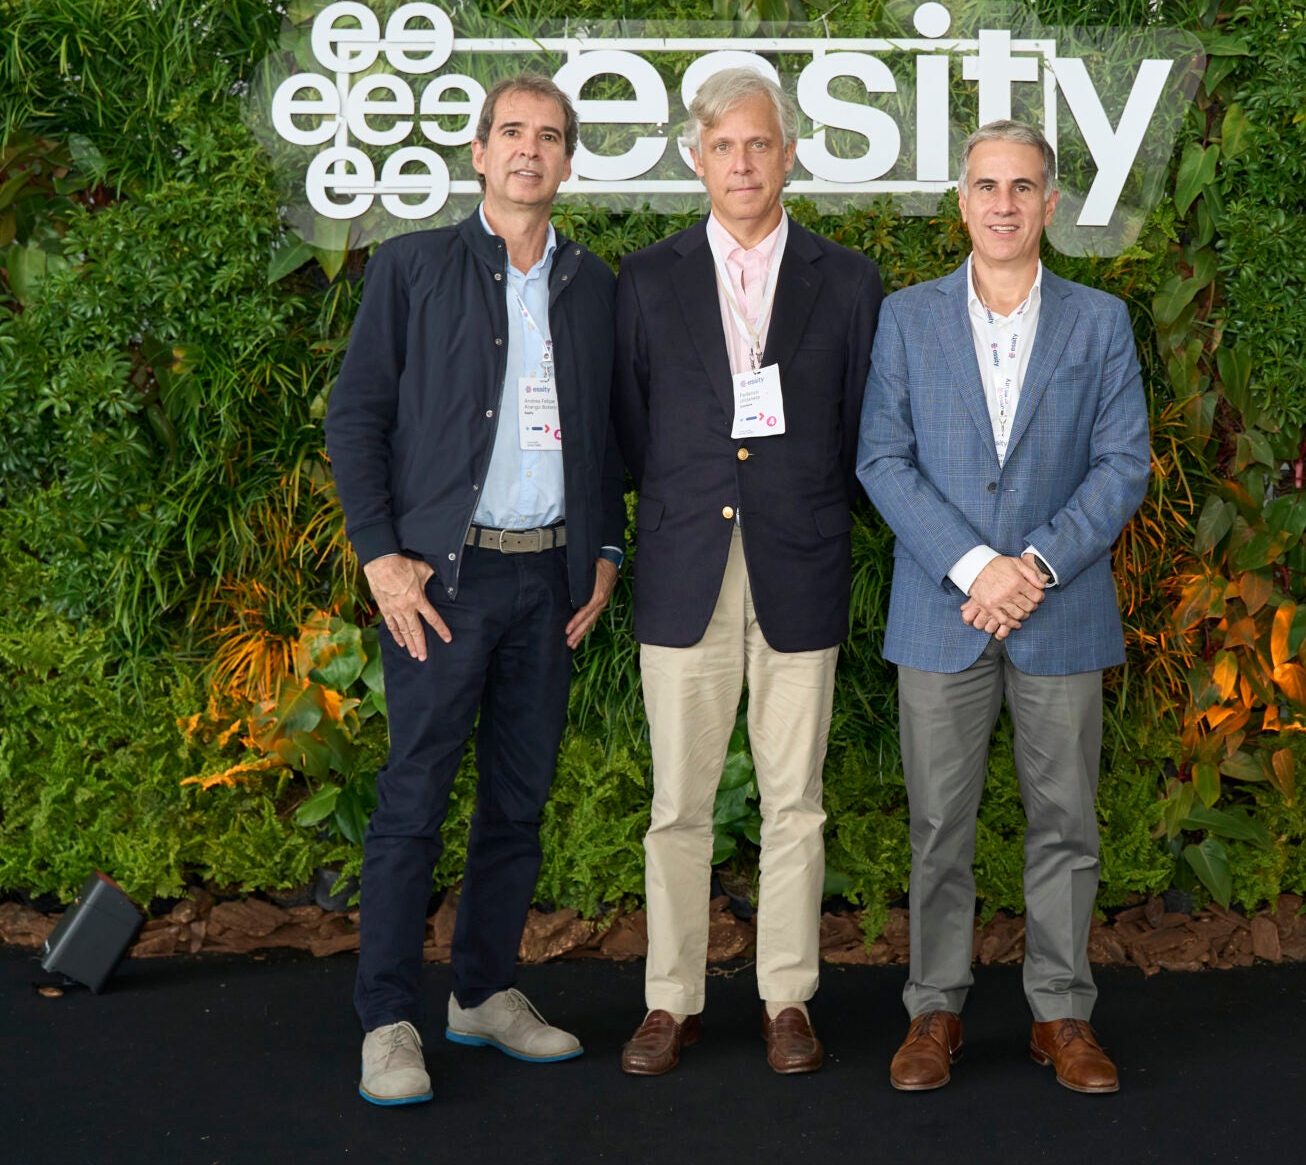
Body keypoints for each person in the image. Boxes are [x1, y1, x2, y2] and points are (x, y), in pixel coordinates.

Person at [325, 72, 625, 1106]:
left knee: (517, 801)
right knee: (412, 799)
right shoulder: (413, 269)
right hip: (442, 584)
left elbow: (612, 436)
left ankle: (485, 990)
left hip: (548, 578)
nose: (530, 150)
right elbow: (355, 417)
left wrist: (607, 549)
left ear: (568, 162)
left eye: (550, 135)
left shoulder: (597, 287)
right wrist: (380, 554)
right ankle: (390, 1018)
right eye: (511, 132)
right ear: (479, 153)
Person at [856, 119, 1150, 1095]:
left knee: (1065, 818)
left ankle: (1060, 1011)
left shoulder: (1099, 321)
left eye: (1023, 187)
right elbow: (881, 460)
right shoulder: (906, 318)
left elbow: (1122, 465)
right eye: (987, 185)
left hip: (1060, 609)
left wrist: (1035, 564)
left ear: (1051, 204)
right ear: (963, 202)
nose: (1005, 204)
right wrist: (977, 565)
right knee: (941, 823)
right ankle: (935, 1006)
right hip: (944, 610)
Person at [610, 65, 881, 1076]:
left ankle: (787, 999)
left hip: (799, 566)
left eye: (759, 144)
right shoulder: (645, 278)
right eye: (723, 145)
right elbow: (631, 434)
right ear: (697, 157)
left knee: (795, 801)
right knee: (677, 804)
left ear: (791, 154)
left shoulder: (848, 281)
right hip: (685, 567)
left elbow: (859, 431)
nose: (742, 162)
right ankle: (669, 1001)